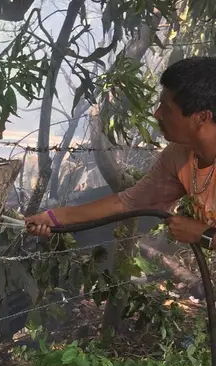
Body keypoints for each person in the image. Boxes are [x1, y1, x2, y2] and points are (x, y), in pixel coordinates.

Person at [26, 56, 216, 250]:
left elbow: (204, 235)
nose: (157, 114)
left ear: (202, 117)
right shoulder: (179, 154)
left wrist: (204, 235)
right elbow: (128, 203)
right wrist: (55, 217)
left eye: (166, 107)